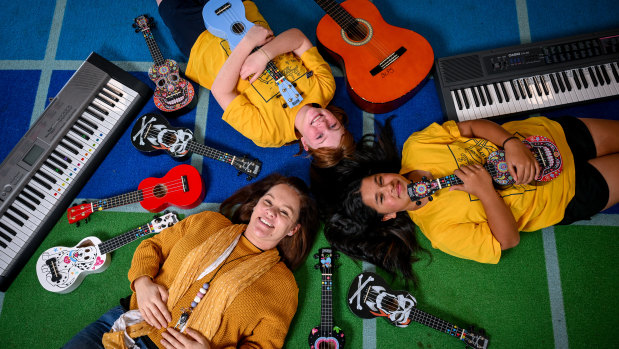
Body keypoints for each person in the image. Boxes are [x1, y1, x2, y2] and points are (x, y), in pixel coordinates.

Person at [322, 115, 619, 273]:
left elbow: (473, 127)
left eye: (379, 180)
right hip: (567, 195)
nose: (389, 186)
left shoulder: (417, 146)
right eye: (382, 198)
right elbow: (508, 240)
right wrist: (485, 192)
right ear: (388, 216)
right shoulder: (441, 232)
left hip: (548, 136)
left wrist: (512, 143)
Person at [63, 173, 319, 349]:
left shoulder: (284, 287)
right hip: (122, 325)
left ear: (293, 229)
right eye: (268, 202)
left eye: (284, 212)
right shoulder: (209, 222)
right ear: (255, 206)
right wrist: (142, 283)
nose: (271, 213)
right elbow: (152, 246)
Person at [157, 0, 355, 168]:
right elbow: (298, 38)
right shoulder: (325, 87)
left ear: (306, 144)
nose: (323, 124)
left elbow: (221, 91)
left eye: (320, 136)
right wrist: (264, 54)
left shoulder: (268, 133)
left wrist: (248, 44)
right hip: (237, 12)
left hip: (201, 44)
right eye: (333, 125)